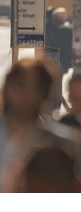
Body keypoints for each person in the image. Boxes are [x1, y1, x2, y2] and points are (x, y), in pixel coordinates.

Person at [0, 59, 54, 190]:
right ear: (7, 87)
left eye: (37, 88)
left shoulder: (58, 142)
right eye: (21, 85)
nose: (28, 94)